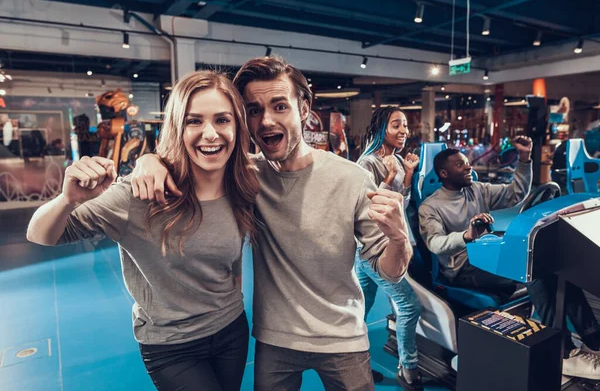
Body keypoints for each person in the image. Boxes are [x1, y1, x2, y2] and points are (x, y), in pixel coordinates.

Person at [131, 55, 413, 391]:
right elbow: (188, 159)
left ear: (303, 109)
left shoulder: (352, 178)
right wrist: (148, 161)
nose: (266, 121)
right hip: (275, 338)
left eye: (280, 106)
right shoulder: (244, 176)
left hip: (342, 337)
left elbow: (390, 271)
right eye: (253, 110)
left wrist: (398, 240)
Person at [26, 71, 260, 391]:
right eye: (194, 121)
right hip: (172, 346)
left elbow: (230, 263)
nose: (210, 133)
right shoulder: (140, 195)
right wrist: (68, 199)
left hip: (231, 330)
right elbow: (39, 234)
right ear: (177, 128)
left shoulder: (242, 185)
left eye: (222, 120)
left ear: (237, 127)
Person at [418, 138, 600, 380]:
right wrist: (467, 235)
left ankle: (593, 339)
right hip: (463, 268)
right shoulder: (430, 207)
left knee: (557, 266)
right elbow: (435, 244)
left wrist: (524, 160)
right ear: (444, 172)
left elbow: (515, 194)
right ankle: (563, 352)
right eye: (461, 165)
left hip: (487, 254)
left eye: (467, 163)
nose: (469, 167)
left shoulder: (476, 189)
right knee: (536, 274)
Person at [355, 107, 423, 390]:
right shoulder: (367, 162)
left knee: (359, 312)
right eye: (397, 125)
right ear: (382, 128)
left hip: (390, 246)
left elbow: (400, 206)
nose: (404, 130)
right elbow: (367, 208)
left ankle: (355, 369)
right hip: (374, 249)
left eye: (405, 125)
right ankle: (409, 369)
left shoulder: (395, 159)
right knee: (409, 305)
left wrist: (406, 176)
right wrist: (387, 178)